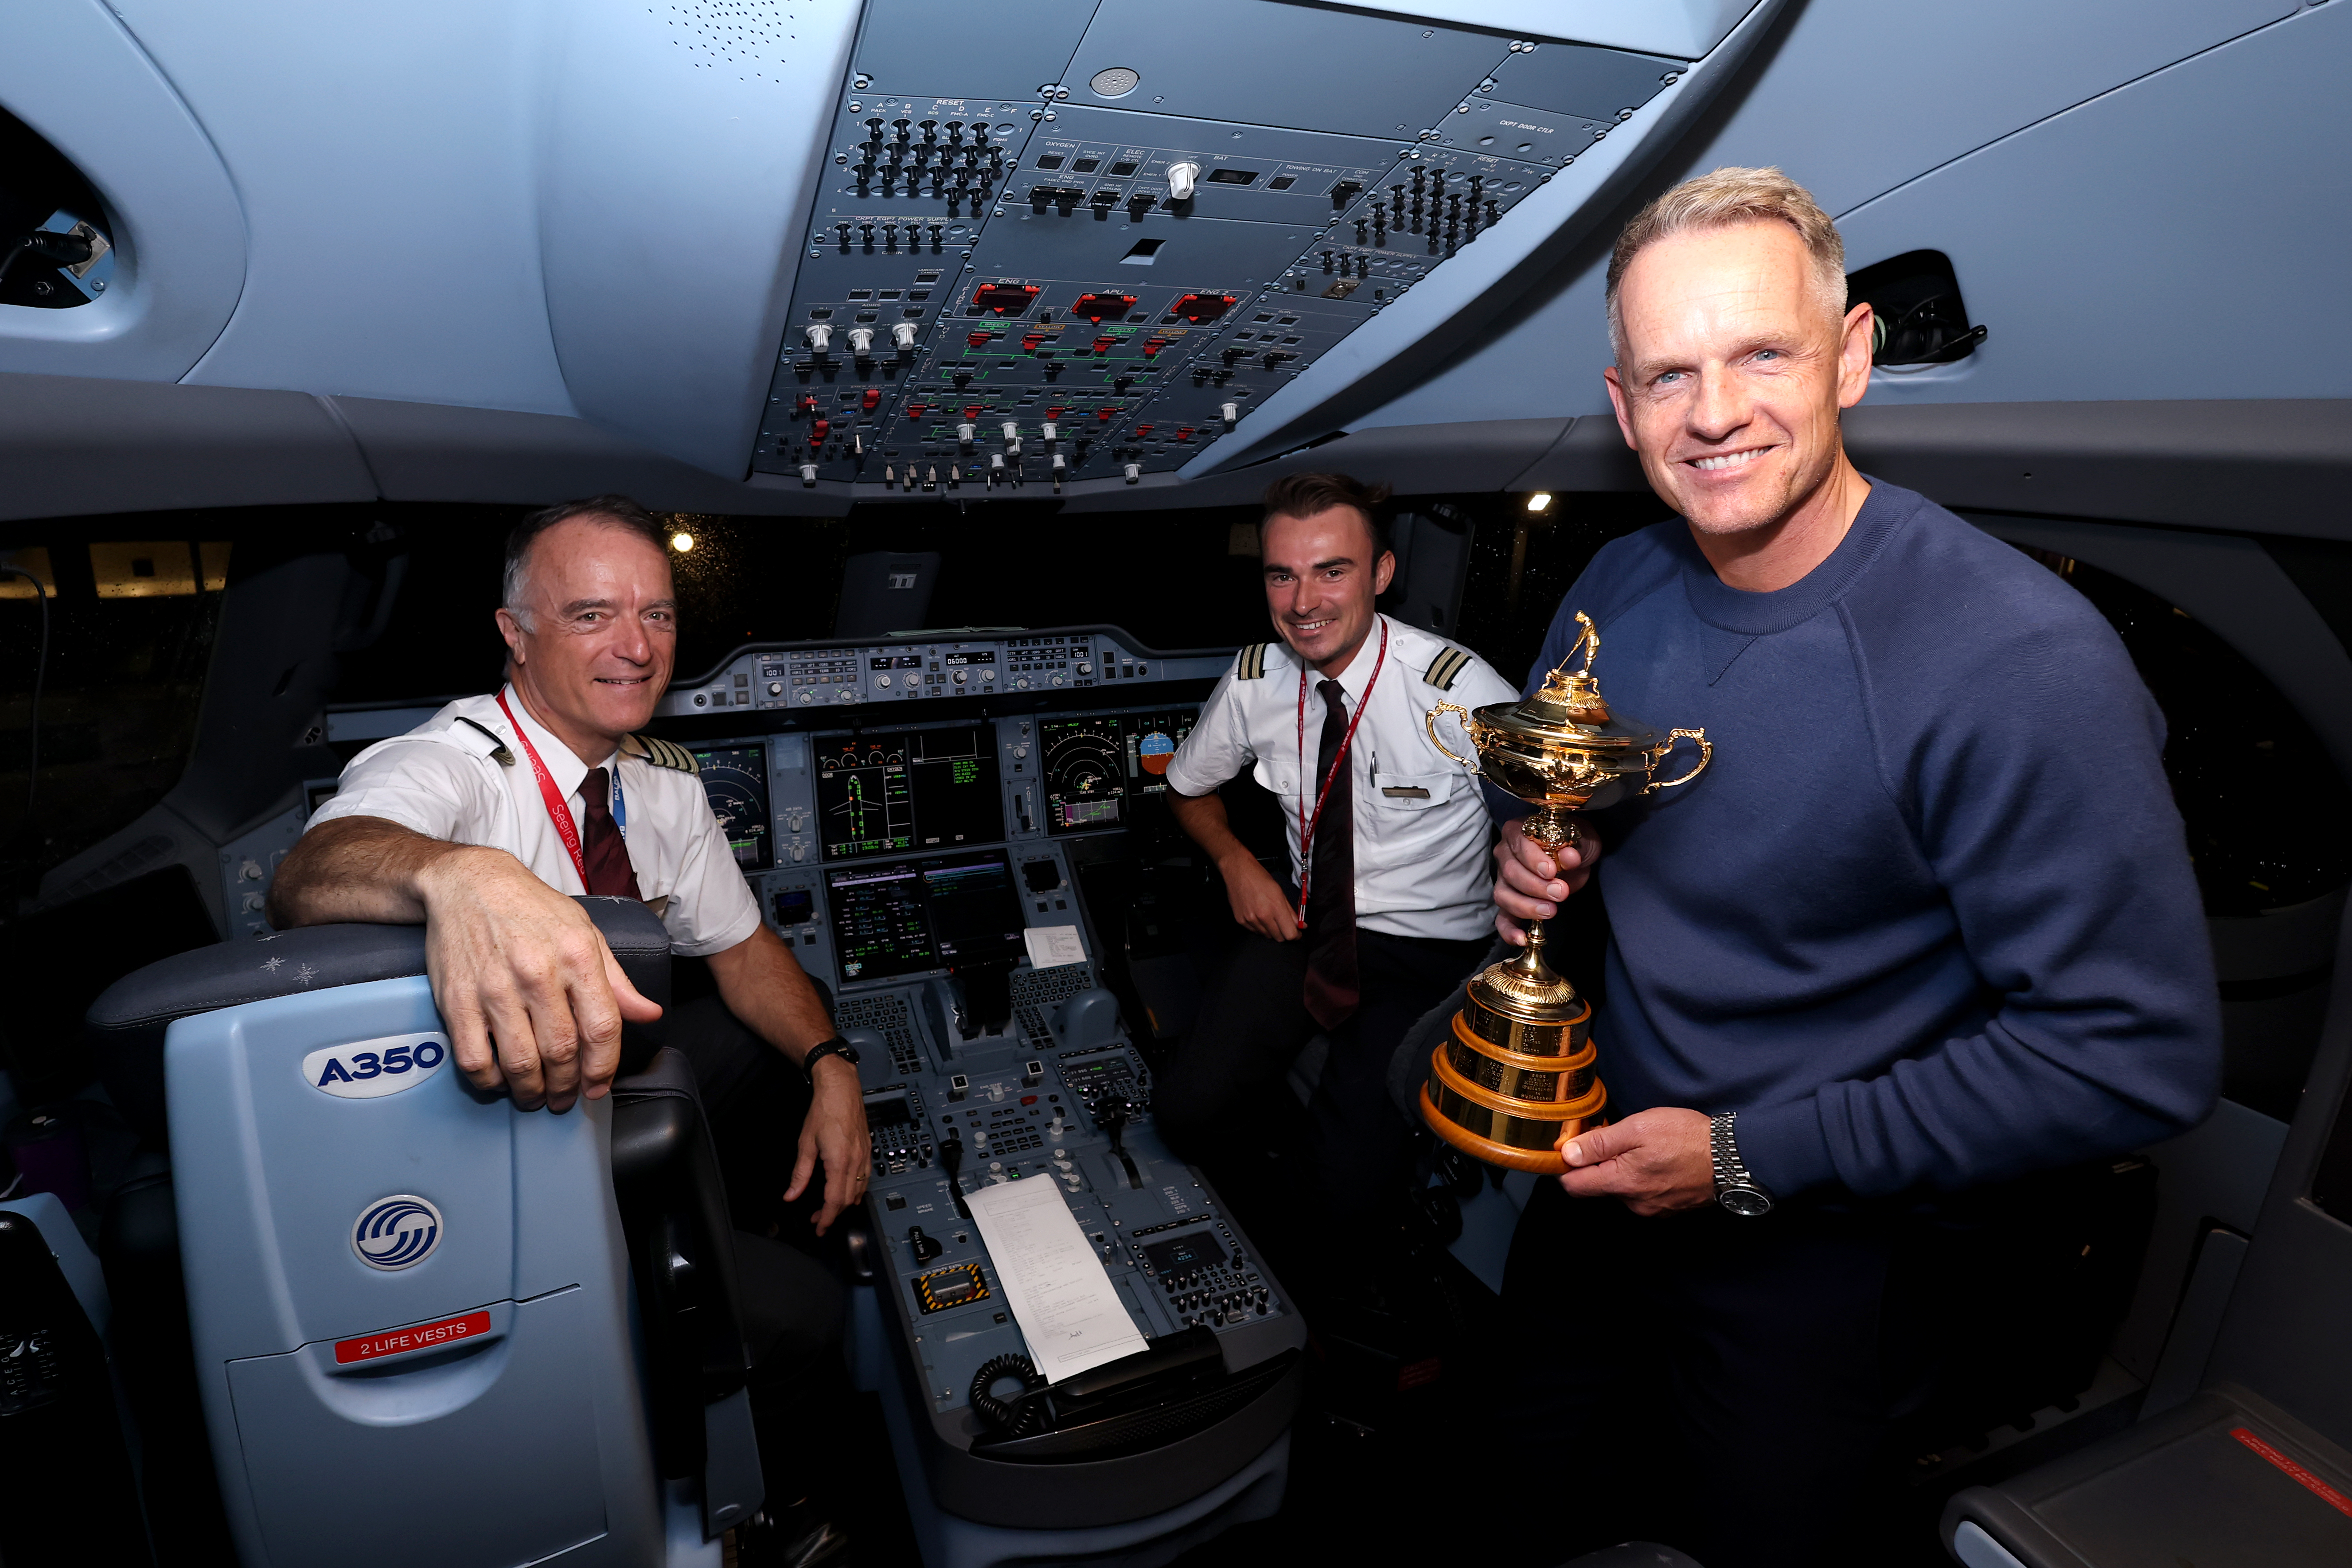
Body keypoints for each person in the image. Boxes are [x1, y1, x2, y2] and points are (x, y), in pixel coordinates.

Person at [1482, 168, 2222, 1564]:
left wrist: (1747, 1158)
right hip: (1596, 1180)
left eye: (1762, 352)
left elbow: (2132, 1054)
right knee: (1525, 1495)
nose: (1712, 412)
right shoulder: (1615, 585)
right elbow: (1570, 807)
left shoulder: (2012, 661)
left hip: (1816, 1250)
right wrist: (1537, 856)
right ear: (1623, 399)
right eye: (1668, 373)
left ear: (1854, 356)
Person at [268, 495, 865, 1563]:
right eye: (591, 613)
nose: (636, 646)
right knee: (811, 1318)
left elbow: (740, 950)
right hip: (501, 1161)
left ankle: (717, 1243)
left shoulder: (658, 790)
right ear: (516, 633)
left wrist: (831, 1067)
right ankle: (753, 1513)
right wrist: (461, 874)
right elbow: (314, 871)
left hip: (600, 1103)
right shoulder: (451, 761)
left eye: (657, 614)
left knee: (758, 1056)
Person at [1155, 472, 1517, 1272]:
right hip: (1307, 925)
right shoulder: (1255, 681)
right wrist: (1236, 862)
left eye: (1332, 570)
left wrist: (1532, 859)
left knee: (1345, 1202)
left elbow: (1537, 822)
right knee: (1184, 1112)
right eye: (1282, 574)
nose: (1303, 600)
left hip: (1428, 959)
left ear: (1382, 574)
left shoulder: (1457, 690)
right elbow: (1185, 791)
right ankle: (1270, 1197)